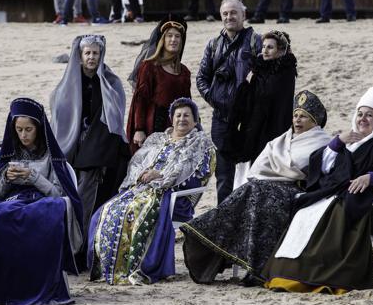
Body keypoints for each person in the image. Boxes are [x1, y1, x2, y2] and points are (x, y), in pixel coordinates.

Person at [181, 91, 331, 286]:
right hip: (265, 187)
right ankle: (208, 237)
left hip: (295, 192)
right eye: (295, 115)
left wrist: (278, 171)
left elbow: (308, 173)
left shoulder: (323, 142)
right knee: (248, 193)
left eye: (303, 116)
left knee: (256, 195)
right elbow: (258, 168)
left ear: (314, 120)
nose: (297, 120)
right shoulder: (281, 140)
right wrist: (277, 173)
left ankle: (254, 267)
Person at [0, 98, 83, 305]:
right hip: (11, 201)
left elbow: (58, 194)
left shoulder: (51, 157)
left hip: (40, 202)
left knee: (10, 217)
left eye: (29, 129)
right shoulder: (11, 154)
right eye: (19, 129)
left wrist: (33, 177)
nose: (23, 135)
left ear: (38, 129)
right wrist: (6, 178)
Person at [263, 87, 373, 293]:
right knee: (304, 208)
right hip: (338, 193)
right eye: (360, 113)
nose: (363, 119)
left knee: (335, 212)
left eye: (370, 115)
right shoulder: (351, 141)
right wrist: (337, 143)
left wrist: (372, 177)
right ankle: (288, 274)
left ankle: (323, 276)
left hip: (369, 202)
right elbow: (324, 167)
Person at [88, 98, 215, 285]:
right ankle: (107, 268)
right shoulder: (157, 139)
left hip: (170, 195)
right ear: (171, 119)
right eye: (178, 115)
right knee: (106, 211)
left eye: (187, 115)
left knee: (133, 213)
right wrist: (143, 174)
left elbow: (197, 176)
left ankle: (135, 268)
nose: (182, 119)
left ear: (195, 121)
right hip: (140, 189)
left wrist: (161, 175)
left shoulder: (200, 144)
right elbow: (137, 163)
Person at [50, 35, 129, 268]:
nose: (92, 57)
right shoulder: (68, 83)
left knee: (90, 191)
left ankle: (83, 248)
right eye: (88, 53)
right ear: (80, 56)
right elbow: (59, 113)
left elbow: (115, 116)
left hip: (100, 147)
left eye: (95, 53)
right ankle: (70, 245)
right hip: (72, 146)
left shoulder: (111, 82)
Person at [196, 0, 262, 205]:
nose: (229, 17)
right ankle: (223, 218)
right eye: (225, 13)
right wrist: (214, 99)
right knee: (224, 176)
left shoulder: (255, 41)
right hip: (222, 118)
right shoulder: (213, 44)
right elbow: (201, 78)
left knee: (250, 172)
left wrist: (249, 102)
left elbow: (266, 74)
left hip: (249, 119)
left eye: (234, 12)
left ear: (244, 15)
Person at [223, 30, 297, 166]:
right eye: (263, 46)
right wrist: (248, 83)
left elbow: (274, 98)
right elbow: (245, 97)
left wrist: (253, 81)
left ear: (281, 50)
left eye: (270, 47)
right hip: (254, 124)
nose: (265, 51)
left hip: (273, 126)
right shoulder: (258, 68)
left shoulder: (286, 72)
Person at [127, 15, 191, 154]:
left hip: (177, 126)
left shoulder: (184, 71)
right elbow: (140, 100)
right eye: (169, 36)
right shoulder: (150, 66)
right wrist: (139, 129)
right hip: (154, 125)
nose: (173, 40)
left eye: (177, 36)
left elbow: (188, 103)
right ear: (163, 39)